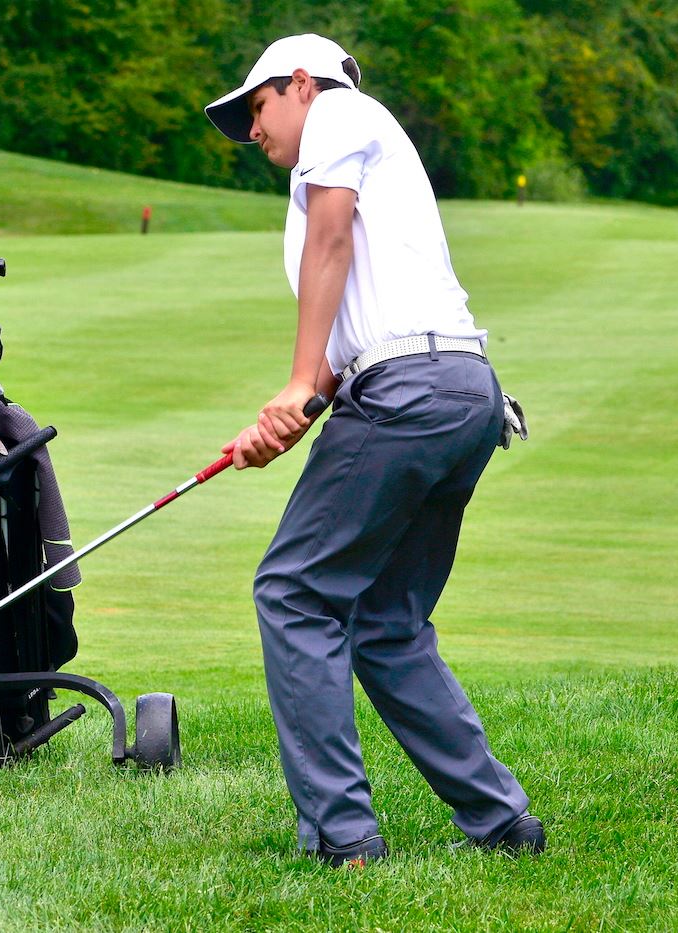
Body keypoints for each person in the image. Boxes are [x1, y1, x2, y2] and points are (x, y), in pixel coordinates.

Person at [204, 34, 543, 867]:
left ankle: (343, 836)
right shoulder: (353, 148)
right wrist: (284, 420)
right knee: (386, 622)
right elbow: (345, 338)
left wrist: (295, 383)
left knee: (293, 592)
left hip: (409, 389)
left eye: (255, 109)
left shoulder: (340, 111)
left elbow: (332, 241)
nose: (253, 131)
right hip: (461, 391)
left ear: (296, 84)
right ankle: (503, 821)